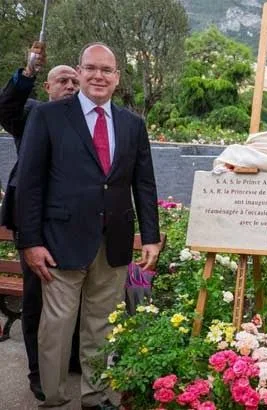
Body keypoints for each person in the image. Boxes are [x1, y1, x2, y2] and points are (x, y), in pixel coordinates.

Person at [15, 42, 161, 410]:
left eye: (107, 70)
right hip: (59, 242)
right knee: (57, 327)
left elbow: (143, 183)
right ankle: (54, 398)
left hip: (112, 241)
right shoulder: (48, 116)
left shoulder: (132, 124)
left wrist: (152, 236)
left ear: (117, 78)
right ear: (79, 73)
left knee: (101, 324)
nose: (99, 76)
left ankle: (95, 397)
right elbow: (30, 184)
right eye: (91, 68)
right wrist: (31, 241)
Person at [0, 41, 80, 401]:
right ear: (47, 87)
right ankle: (38, 373)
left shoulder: (88, 120)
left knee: (75, 296)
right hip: (34, 225)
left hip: (75, 226)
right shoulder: (30, 113)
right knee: (36, 301)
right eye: (62, 80)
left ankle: (71, 360)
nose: (70, 86)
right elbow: (6, 106)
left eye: (75, 82)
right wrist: (28, 71)